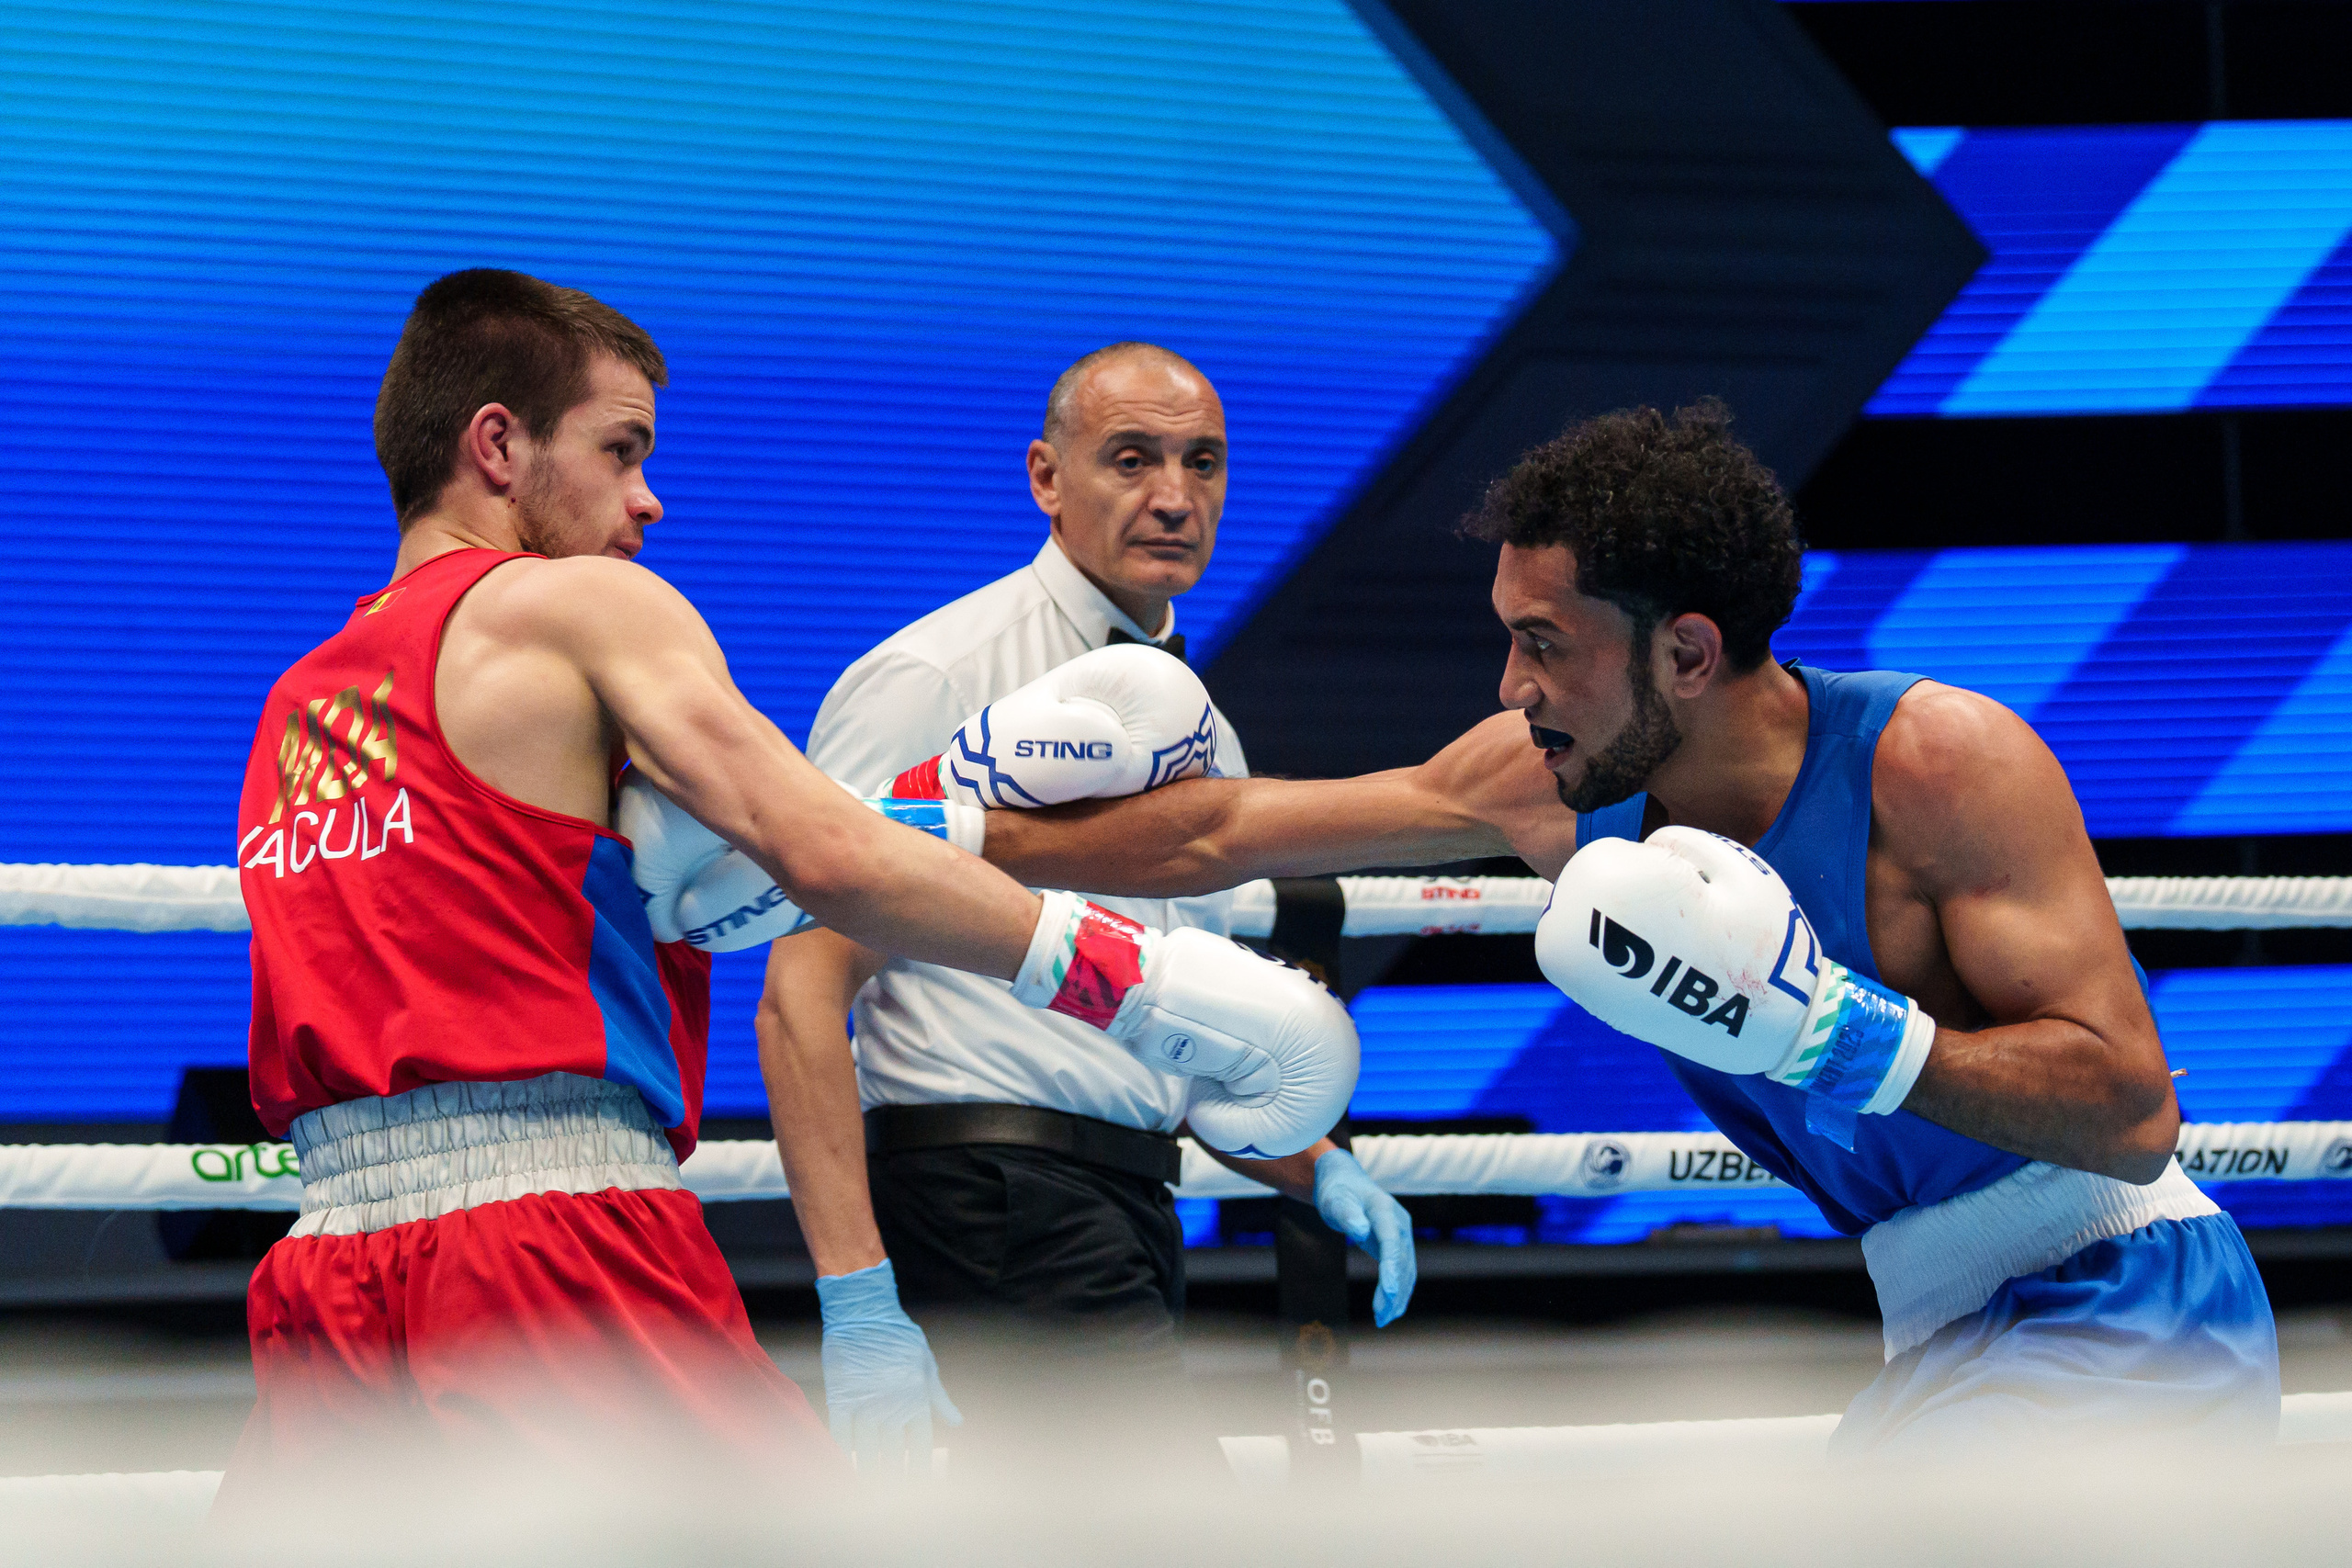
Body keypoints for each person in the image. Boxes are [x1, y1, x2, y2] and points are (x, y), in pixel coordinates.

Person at [222, 277, 1356, 1509]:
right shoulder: (581, 603)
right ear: (498, 446)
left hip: (332, 1268)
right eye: (621, 449)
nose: (648, 497)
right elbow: (825, 851)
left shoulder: (300, 704)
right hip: (549, 1240)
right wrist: (1135, 983)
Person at [972, 400, 2281, 1458]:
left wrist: (1838, 1034)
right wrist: (924, 825)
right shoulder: (1554, 782)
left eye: (1544, 644)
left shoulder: (1937, 761)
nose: (1511, 685)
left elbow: (2131, 1110)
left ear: (1688, 655)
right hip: (1938, 1321)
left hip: (2127, 1293)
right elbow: (1218, 831)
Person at [756, 343, 1417, 1478]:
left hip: (1122, 1200)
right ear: (1045, 477)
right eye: (1131, 458)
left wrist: (1315, 1166)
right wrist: (856, 1297)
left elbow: (1162, 1029)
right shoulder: (935, 675)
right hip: (991, 1195)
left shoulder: (1201, 732)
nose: (1173, 496)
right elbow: (800, 987)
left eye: (1201, 462)